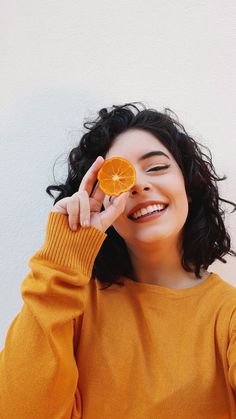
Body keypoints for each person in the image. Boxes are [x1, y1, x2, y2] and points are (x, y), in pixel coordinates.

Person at [0, 102, 235, 419]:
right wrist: (61, 261)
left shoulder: (228, 315)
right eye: (118, 179)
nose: (138, 184)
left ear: (188, 186)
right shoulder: (70, 305)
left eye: (156, 167)